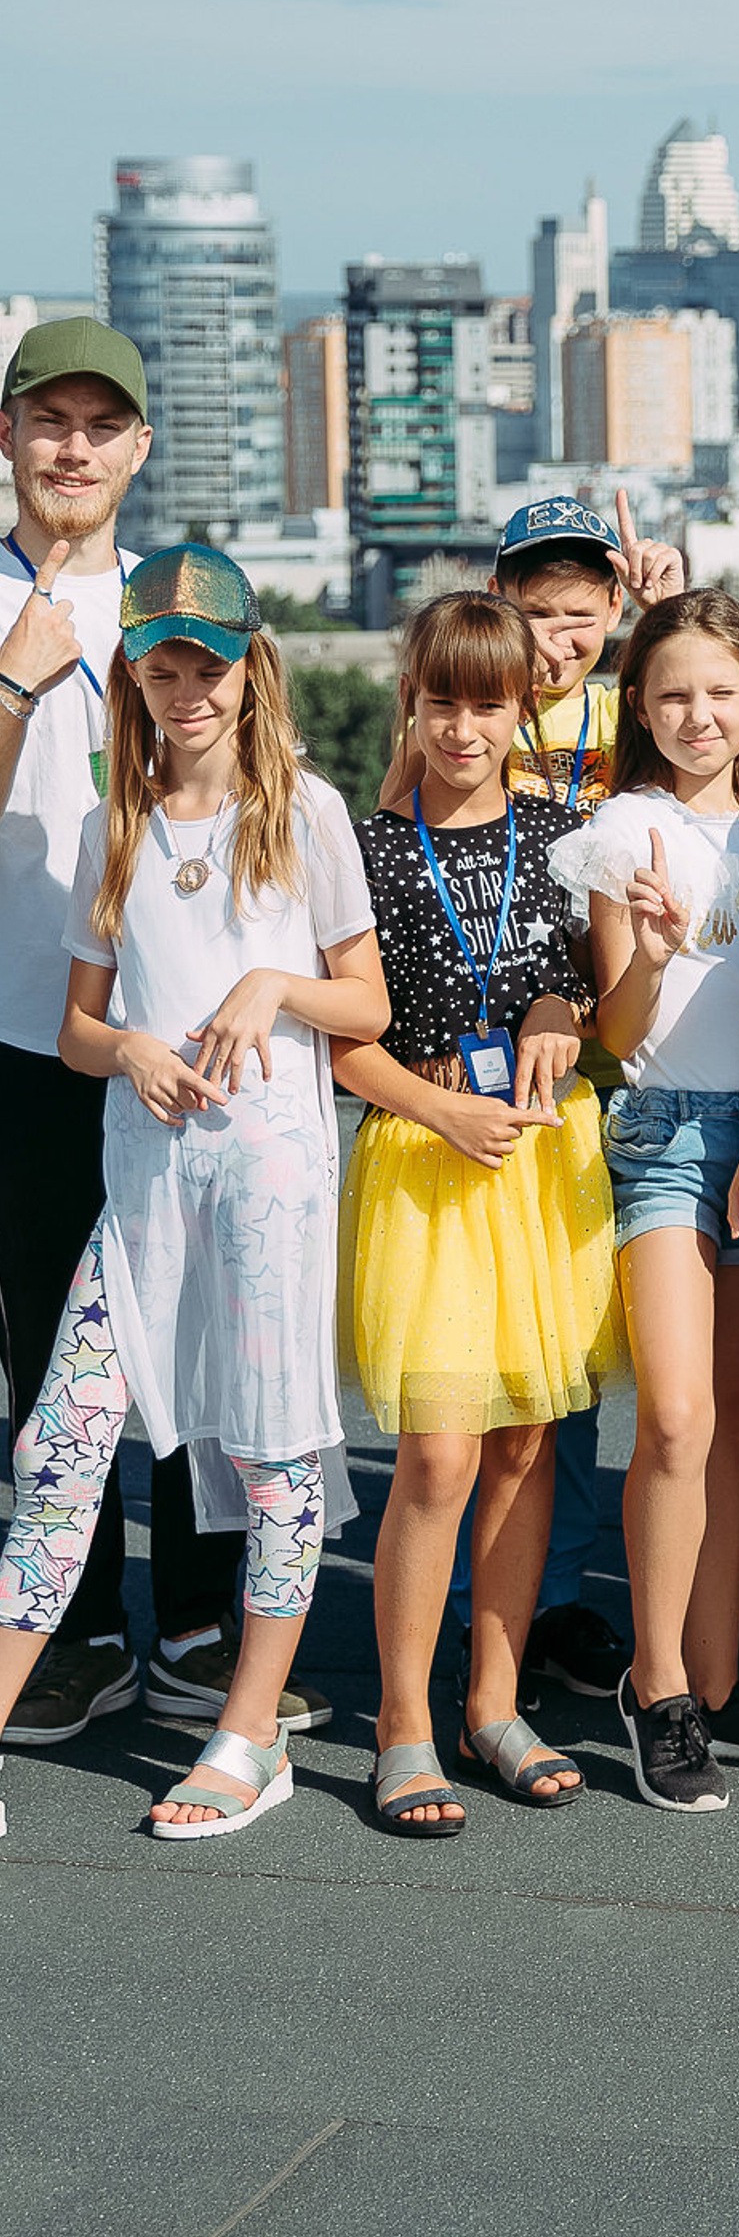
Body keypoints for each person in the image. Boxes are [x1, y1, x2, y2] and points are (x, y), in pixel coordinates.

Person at [0, 548, 387, 1835]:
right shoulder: (120, 824)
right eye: (162, 663)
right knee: (58, 1445)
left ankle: (246, 1734)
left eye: (207, 663)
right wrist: (137, 1050)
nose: (186, 687)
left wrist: (270, 989)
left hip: (270, 1181)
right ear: (137, 673)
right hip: (146, 1190)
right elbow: (77, 1030)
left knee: (274, 1456)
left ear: (248, 666)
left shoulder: (309, 813)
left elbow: (365, 1003)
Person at [0, 322, 265, 1752]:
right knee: (52, 1343)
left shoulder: (181, 599)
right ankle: (88, 1624)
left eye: (106, 426)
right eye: (52, 421)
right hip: (25, 1031)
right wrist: (16, 677)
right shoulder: (6, 613)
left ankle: (207, 1619)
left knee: (201, 1328)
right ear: (9, 437)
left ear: (141, 449)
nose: (77, 449)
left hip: (181, 1035)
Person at [337, 592, 631, 1835]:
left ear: (526, 708)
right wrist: (439, 1109)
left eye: (489, 702)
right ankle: (405, 1720)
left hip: (544, 1164)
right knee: (443, 1452)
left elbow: (599, 1002)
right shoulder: (355, 846)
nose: (465, 726)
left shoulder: (571, 833)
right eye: (444, 698)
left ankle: (494, 1702)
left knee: (525, 1446)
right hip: (424, 1161)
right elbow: (344, 1045)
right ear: (413, 694)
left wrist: (566, 1012)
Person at [550, 590, 739, 1807]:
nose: (696, 714)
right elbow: (614, 1030)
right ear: (637, 707)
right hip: (658, 1134)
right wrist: (653, 953)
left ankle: (716, 1679)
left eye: (718, 690)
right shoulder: (623, 829)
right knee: (674, 1420)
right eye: (670, 694)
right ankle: (658, 1686)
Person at [411, 494, 683, 1706]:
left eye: (580, 615)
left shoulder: (633, 712)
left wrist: (668, 619)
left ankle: (556, 1592)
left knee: (578, 1359)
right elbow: (399, 830)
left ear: (613, 613)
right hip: (492, 1068)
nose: (557, 638)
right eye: (535, 613)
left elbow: (725, 718)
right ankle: (492, 1609)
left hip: (619, 1046)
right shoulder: (479, 713)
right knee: (501, 1366)